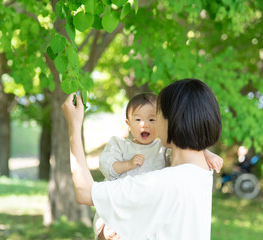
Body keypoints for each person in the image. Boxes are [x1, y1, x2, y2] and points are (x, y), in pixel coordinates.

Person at [62, 79, 222, 240]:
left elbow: (84, 192)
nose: (151, 123)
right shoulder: (201, 172)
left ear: (172, 120)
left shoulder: (164, 183)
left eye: (156, 115)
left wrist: (74, 126)